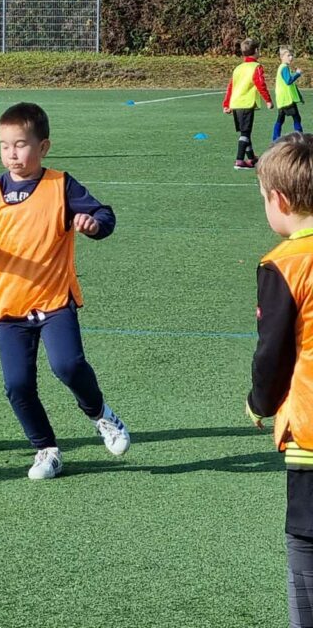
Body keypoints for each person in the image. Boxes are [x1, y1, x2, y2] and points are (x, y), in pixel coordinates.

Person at [0, 102, 130, 480]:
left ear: (43, 147)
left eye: (21, 145)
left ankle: (102, 415)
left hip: (55, 300)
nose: (12, 154)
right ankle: (46, 449)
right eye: (4, 145)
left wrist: (92, 223)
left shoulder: (60, 185)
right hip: (8, 307)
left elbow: (105, 215)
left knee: (67, 365)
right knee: (17, 385)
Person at [245, 133, 313, 628]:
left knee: (305, 546)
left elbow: (273, 352)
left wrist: (260, 402)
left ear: (280, 200)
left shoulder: (284, 263)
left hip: (310, 430)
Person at [223, 38, 273, 169]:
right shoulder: (256, 67)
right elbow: (260, 84)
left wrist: (226, 104)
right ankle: (239, 160)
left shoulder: (238, 68)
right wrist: (268, 100)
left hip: (236, 103)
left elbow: (231, 86)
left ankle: (251, 158)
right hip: (246, 104)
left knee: (246, 132)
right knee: (245, 133)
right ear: (256, 51)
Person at [275, 45, 305, 142]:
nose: (291, 57)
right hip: (287, 100)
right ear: (282, 57)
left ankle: (275, 139)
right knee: (297, 118)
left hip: (282, 100)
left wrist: (299, 97)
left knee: (280, 119)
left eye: (292, 55)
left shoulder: (282, 68)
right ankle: (300, 137)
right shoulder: (284, 68)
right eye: (288, 55)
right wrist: (297, 74)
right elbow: (288, 81)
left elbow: (290, 85)